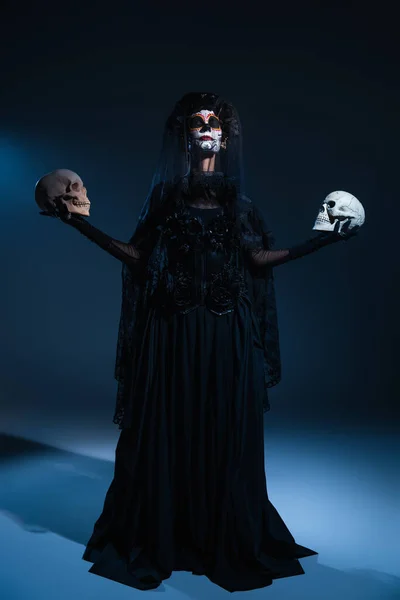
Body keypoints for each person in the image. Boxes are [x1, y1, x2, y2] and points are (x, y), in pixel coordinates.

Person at [40, 92, 358, 592]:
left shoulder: (239, 204)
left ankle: (221, 534)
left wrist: (323, 240)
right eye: (197, 122)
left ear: (226, 139)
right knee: (168, 429)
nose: (207, 128)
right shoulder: (166, 200)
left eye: (216, 123)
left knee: (225, 431)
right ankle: (167, 534)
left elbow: (256, 262)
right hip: (172, 335)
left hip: (226, 334)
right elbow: (138, 259)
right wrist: (79, 224)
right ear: (185, 137)